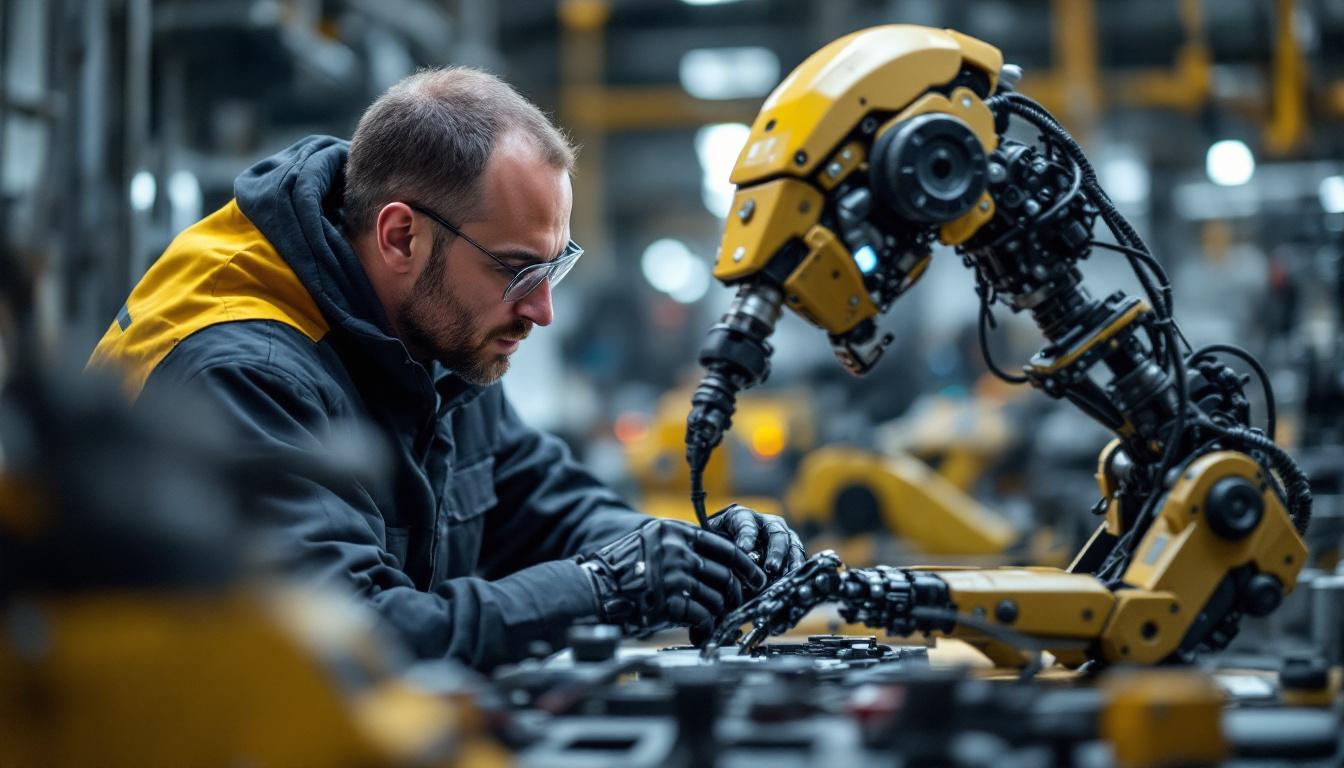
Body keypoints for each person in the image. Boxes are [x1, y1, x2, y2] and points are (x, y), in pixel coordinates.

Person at [87, 67, 806, 670]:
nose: (543, 310)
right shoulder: (246, 371)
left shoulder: (429, 332)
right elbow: (352, 644)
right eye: (519, 271)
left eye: (555, 267)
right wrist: (604, 588)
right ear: (401, 235)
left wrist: (691, 559)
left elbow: (536, 501)